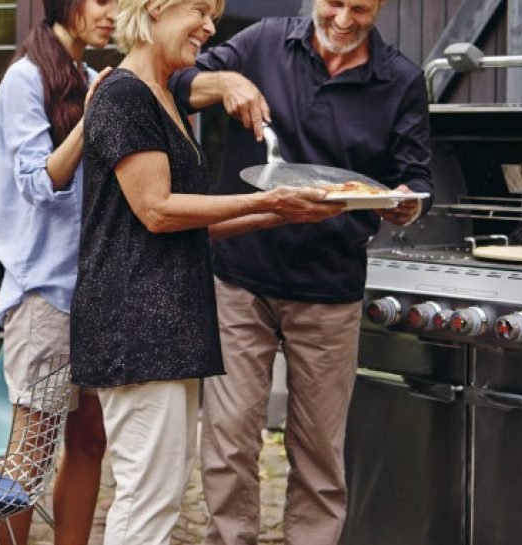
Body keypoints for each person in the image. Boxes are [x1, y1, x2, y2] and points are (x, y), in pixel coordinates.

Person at [72, 1, 344, 543]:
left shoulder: (162, 96)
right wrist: (270, 201)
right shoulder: (125, 94)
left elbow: (187, 223)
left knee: (162, 494)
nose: (211, 27)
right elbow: (157, 210)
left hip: (166, 330)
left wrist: (281, 212)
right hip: (137, 328)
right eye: (200, 9)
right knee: (147, 500)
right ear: (155, 8)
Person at [168, 1, 432, 543]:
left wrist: (406, 203)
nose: (344, 20)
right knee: (227, 440)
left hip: (329, 288)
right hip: (241, 278)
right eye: (335, 3)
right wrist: (225, 82)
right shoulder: (262, 41)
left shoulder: (401, 80)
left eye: (360, 9)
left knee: (319, 452)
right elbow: (176, 82)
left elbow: (415, 177)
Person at [0, 0, 115, 542]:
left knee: (90, 442)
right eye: (103, 0)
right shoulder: (24, 80)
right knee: (32, 452)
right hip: (44, 294)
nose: (114, 12)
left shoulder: (89, 76)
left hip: (95, 293)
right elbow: (39, 183)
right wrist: (91, 117)